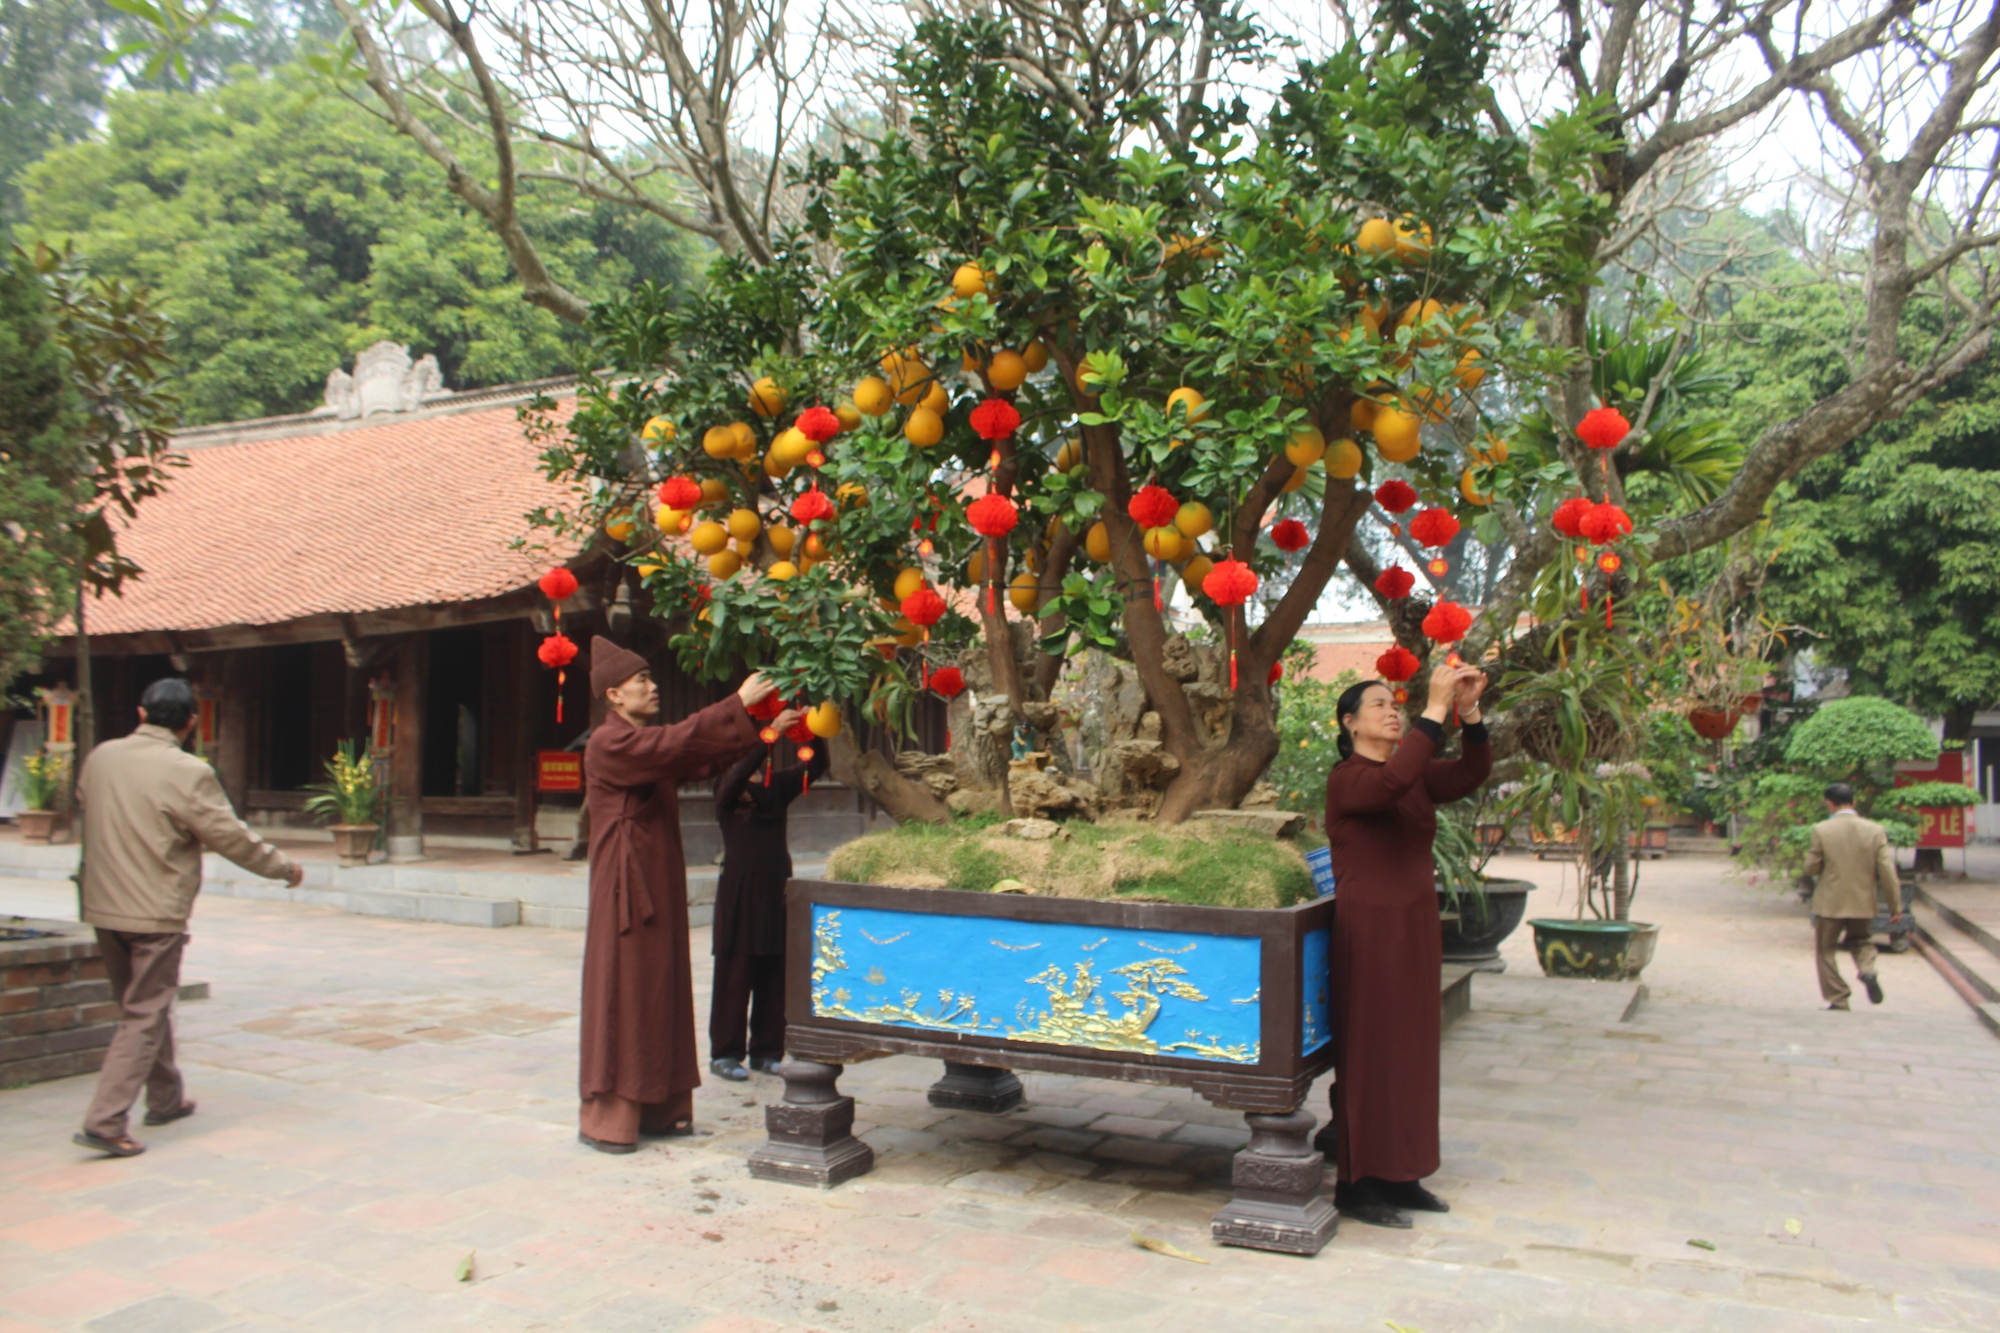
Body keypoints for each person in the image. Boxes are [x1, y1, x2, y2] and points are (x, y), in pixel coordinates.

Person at [71, 677, 305, 1157]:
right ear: (190, 723)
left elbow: (84, 802)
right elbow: (230, 836)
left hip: (103, 904)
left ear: (140, 714)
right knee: (145, 1011)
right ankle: (105, 1119)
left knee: (139, 1007)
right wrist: (283, 867)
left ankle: (166, 1098)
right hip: (155, 911)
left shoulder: (101, 757)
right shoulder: (187, 771)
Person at [577, 637, 794, 1153]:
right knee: (625, 992)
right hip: (624, 891)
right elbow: (674, 746)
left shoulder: (640, 743)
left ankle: (661, 1109)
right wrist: (735, 706)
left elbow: (695, 760)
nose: (653, 688)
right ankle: (610, 1118)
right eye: (643, 682)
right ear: (613, 695)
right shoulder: (608, 743)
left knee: (660, 988)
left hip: (656, 880)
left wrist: (763, 729)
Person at [1320, 660, 1490, 1229]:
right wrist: (1434, 709)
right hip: (1369, 933)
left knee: (1413, 1049)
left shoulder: (1411, 775)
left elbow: (1470, 773)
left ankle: (1404, 1173)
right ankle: (1358, 1183)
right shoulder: (1350, 780)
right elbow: (1390, 784)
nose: (1393, 712)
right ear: (1349, 723)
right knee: (1372, 1053)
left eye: (1397, 704)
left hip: (1415, 928)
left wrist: (1469, 714)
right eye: (1379, 705)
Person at [707, 736, 827, 1081]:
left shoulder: (776, 786)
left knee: (775, 972)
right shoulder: (726, 787)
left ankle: (767, 1050)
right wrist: (767, 737)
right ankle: (725, 1053)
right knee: (734, 973)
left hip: (776, 889)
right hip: (739, 892)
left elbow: (816, 766)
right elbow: (737, 775)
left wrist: (812, 730)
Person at [1804, 782, 1903, 1010]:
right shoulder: (1875, 830)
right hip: (1862, 901)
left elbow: (1811, 868)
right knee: (1861, 941)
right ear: (1854, 802)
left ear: (1829, 803)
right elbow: (1887, 871)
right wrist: (1895, 905)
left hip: (1830, 903)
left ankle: (1838, 997)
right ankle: (1867, 971)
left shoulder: (1821, 830)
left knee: (1825, 950)